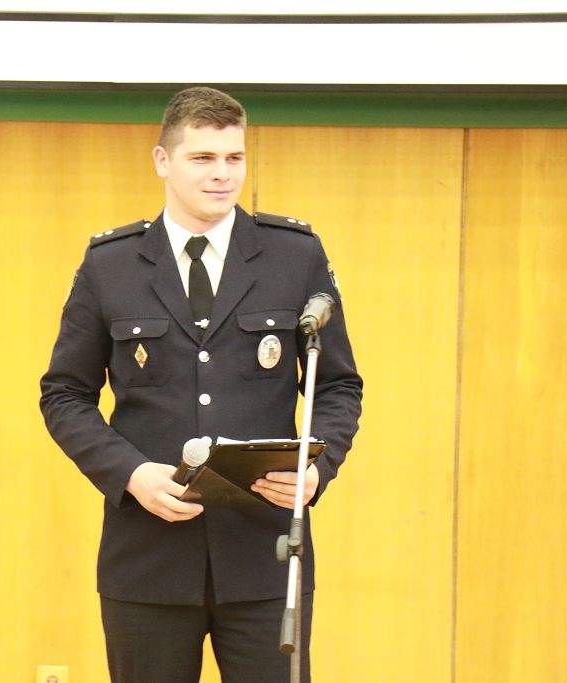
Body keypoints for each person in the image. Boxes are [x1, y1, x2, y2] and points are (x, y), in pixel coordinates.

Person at [39, 87, 362, 683]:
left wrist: (317, 468)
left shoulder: (294, 256)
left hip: (264, 554)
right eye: (203, 158)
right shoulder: (110, 264)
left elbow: (338, 385)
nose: (222, 174)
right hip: (149, 557)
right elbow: (64, 395)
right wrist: (130, 473)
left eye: (234, 158)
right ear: (163, 161)